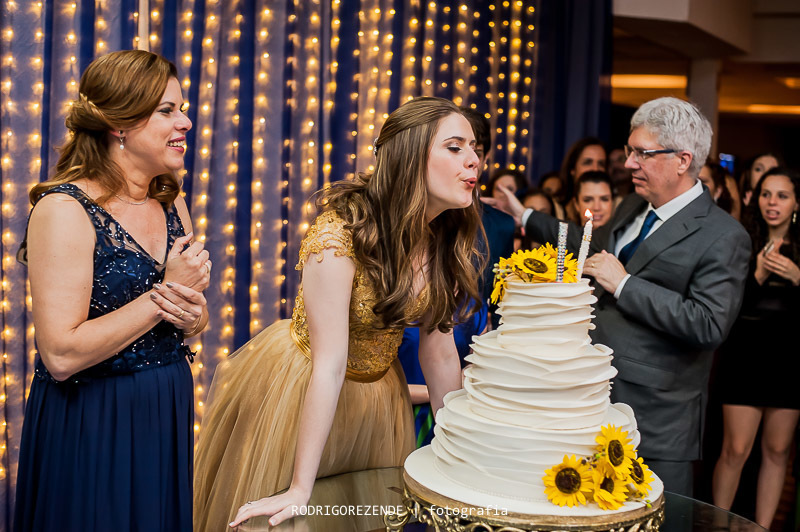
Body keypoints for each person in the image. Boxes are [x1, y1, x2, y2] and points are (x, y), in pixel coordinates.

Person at [193, 97, 485, 530]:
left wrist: (456, 458)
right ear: (409, 155)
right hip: (304, 388)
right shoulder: (340, 233)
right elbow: (329, 365)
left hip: (379, 401)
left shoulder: (442, 237)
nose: (474, 160)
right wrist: (299, 489)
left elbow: (439, 356)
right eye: (455, 147)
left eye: (475, 149)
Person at [484, 96, 750, 496]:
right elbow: (588, 245)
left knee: (657, 516)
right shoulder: (633, 205)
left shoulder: (724, 236)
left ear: (682, 160)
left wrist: (625, 284)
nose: (628, 164)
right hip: (593, 398)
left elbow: (708, 324)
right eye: (630, 151)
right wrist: (524, 215)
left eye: (643, 153)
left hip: (656, 417)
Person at [13, 50, 209, 532]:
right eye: (167, 110)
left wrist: (192, 315)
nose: (185, 122)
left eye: (182, 109)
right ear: (119, 124)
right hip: (93, 419)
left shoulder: (171, 199)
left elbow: (191, 316)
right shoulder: (64, 210)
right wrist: (165, 293)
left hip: (164, 407)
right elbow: (61, 355)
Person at [712, 167, 800, 529]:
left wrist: (798, 277)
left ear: (796, 203)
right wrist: (758, 276)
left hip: (789, 359)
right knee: (735, 450)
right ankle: (717, 525)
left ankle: (763, 527)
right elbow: (726, 308)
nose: (772, 203)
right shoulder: (741, 240)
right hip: (745, 356)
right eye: (766, 194)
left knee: (778, 451)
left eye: (782, 195)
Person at [560, 137, 607, 222]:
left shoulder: (617, 208)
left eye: (601, 164)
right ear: (572, 169)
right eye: (588, 162)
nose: (595, 169)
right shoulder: (557, 209)